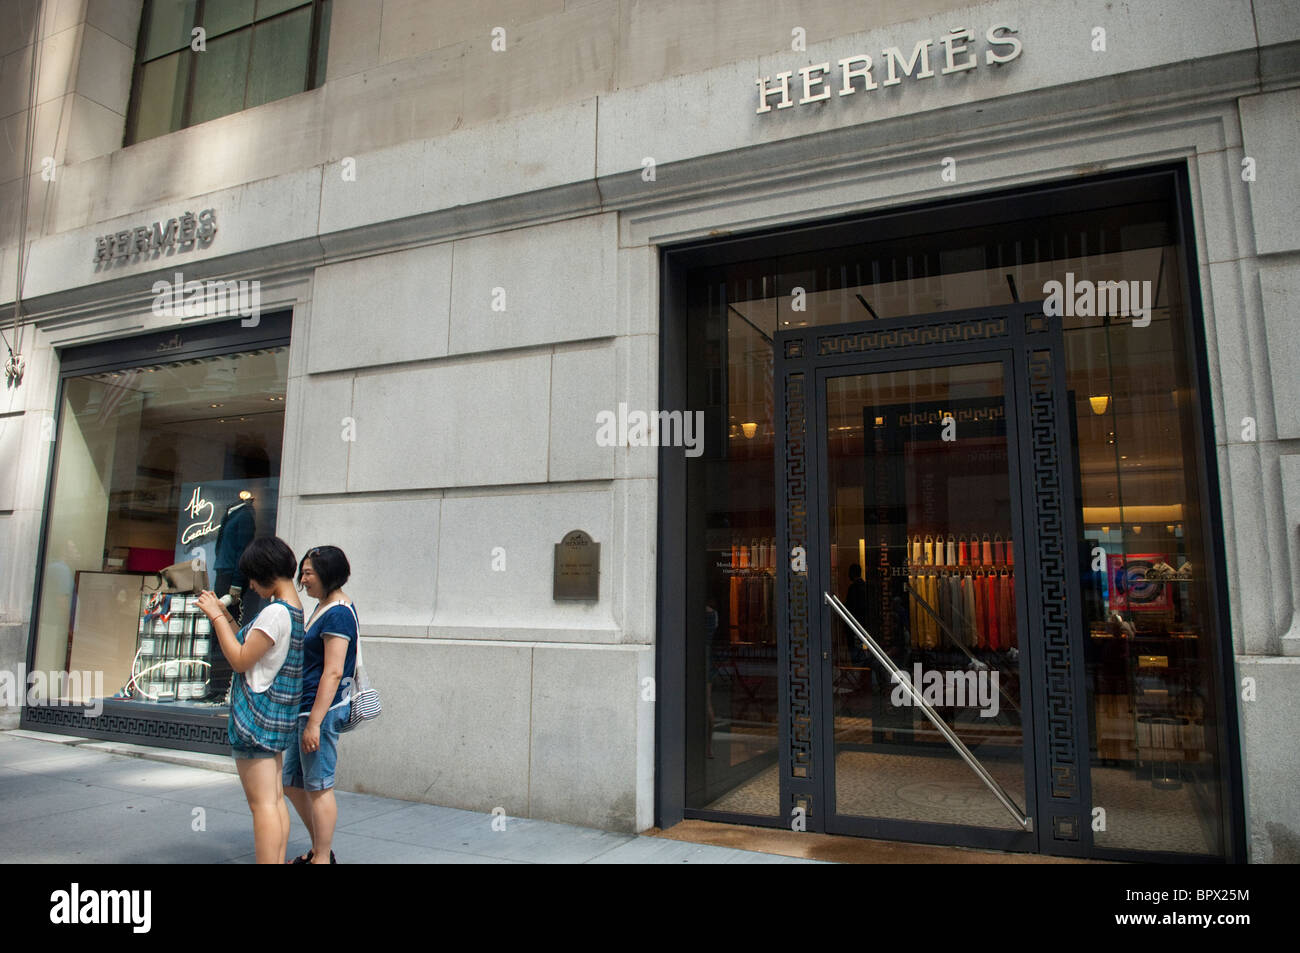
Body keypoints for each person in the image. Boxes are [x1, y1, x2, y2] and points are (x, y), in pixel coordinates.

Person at [196, 536, 303, 864]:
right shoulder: (293, 610)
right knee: (273, 801)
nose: (251, 585)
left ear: (264, 572)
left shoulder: (275, 613)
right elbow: (250, 644)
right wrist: (223, 614)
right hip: (275, 719)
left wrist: (215, 617)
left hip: (256, 718)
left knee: (263, 806)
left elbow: (241, 659)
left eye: (253, 578)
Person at [284, 546, 357, 865]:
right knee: (293, 783)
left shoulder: (338, 611)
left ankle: (322, 857)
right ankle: (320, 849)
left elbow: (334, 670)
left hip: (320, 712)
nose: (303, 579)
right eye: (303, 572)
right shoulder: (324, 606)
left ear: (329, 573)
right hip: (308, 709)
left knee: (319, 786)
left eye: (309, 573)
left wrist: (315, 721)